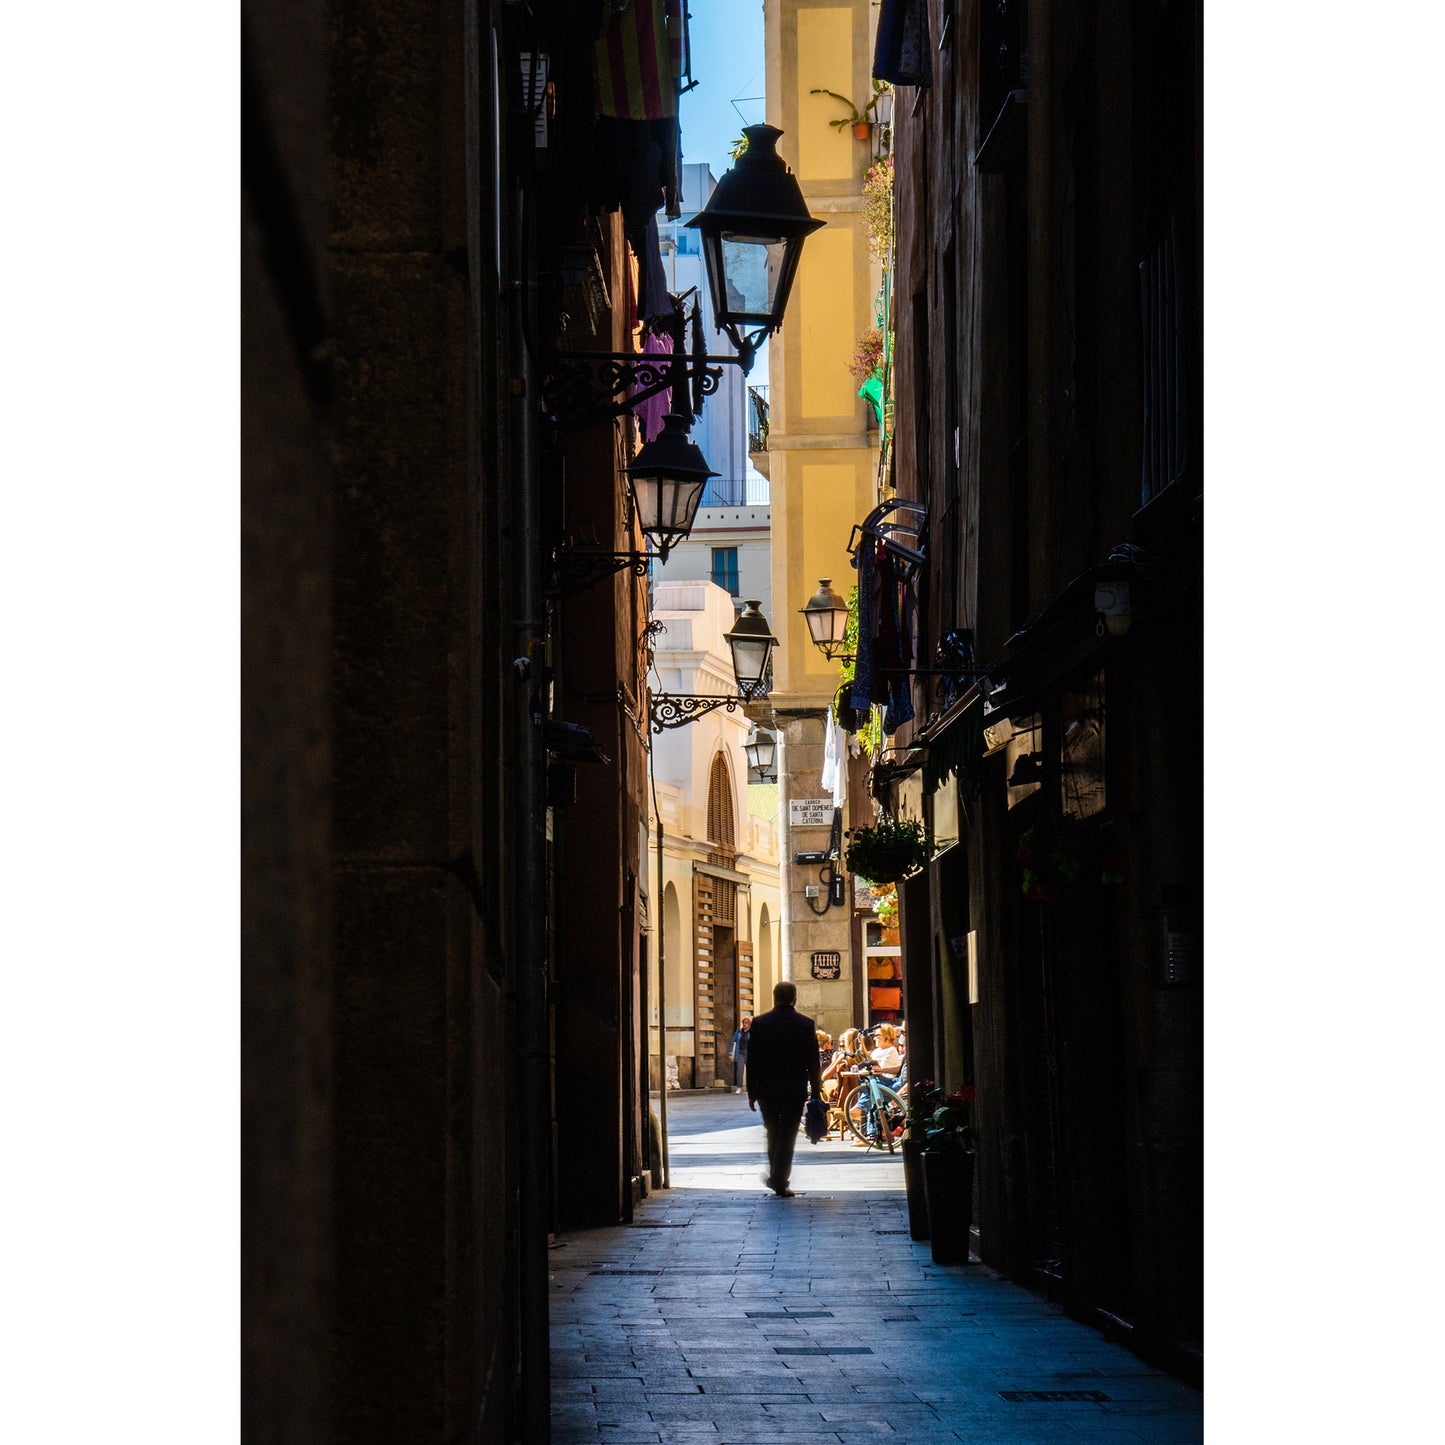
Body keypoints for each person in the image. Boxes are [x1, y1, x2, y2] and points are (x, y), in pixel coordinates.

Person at [745, 980, 824, 1197]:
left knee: (772, 1132)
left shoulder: (760, 1024)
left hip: (767, 1089)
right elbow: (812, 1061)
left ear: (774, 997)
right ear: (794, 999)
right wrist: (816, 1090)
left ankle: (776, 1177)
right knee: (788, 1135)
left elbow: (752, 1061)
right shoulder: (805, 1024)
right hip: (794, 1088)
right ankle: (780, 1179)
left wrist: (752, 1092)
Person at [728, 1016, 752, 1094]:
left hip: (749, 1053)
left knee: (750, 1071)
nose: (744, 1024)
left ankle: (750, 1088)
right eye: (743, 1023)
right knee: (739, 1070)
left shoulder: (752, 1032)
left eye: (746, 1023)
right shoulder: (738, 1032)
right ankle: (739, 1087)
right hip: (740, 1053)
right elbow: (732, 1042)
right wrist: (730, 1053)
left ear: (749, 1024)